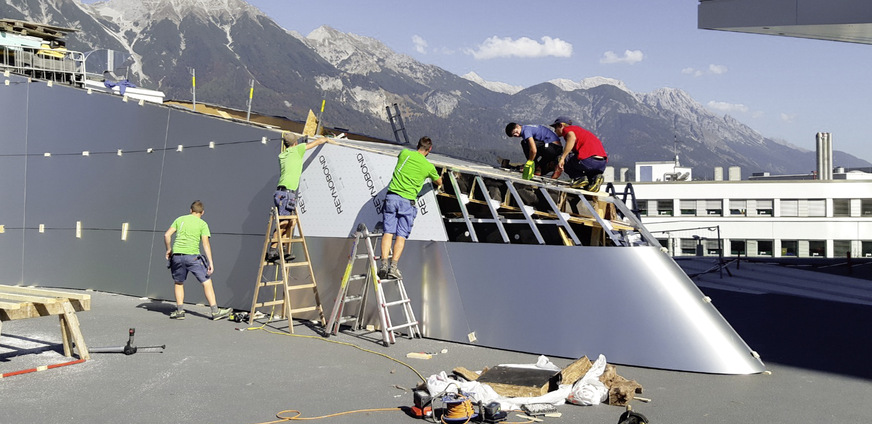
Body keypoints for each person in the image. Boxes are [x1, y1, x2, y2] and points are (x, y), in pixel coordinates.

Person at [379, 136, 443, 280]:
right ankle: (393, 268)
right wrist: (438, 179)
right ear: (430, 149)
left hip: (392, 197)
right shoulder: (429, 167)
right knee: (401, 236)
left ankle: (383, 264)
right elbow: (438, 182)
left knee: (388, 232)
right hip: (407, 202)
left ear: (418, 145)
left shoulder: (405, 154)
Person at [269, 132, 333, 262]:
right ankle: (272, 251)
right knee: (284, 223)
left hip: (283, 193)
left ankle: (283, 250)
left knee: (290, 222)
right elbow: (317, 143)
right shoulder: (297, 150)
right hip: (286, 194)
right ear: (295, 143)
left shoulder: (282, 155)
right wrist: (326, 139)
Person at [164, 200, 231, 320]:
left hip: (177, 256)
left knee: (179, 283)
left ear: (191, 210)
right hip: (193, 257)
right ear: (202, 212)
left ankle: (180, 311)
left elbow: (167, 235)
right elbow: (206, 244)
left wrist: (169, 249)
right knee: (206, 282)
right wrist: (210, 262)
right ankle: (215, 312)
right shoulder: (202, 224)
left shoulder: (180, 219)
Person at [551, 116, 608, 191]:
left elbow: (572, 138)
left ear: (561, 125)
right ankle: (595, 178)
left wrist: (563, 158)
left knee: (562, 158)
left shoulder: (567, 130)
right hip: (601, 164)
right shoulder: (580, 131)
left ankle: (579, 178)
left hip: (589, 161)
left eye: (555, 127)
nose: (555, 131)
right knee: (588, 183)